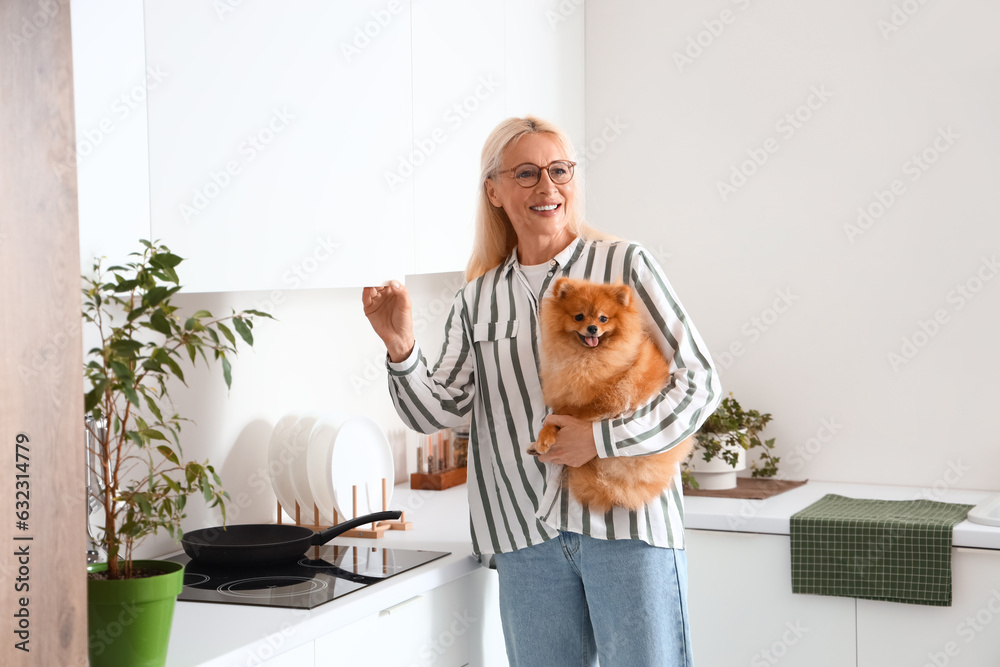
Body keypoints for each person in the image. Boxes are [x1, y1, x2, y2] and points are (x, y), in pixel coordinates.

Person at [362, 116, 720, 667]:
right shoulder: (476, 298)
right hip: (522, 535)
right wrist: (401, 347)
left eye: (559, 170)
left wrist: (602, 438)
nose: (546, 187)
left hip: (626, 528)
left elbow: (699, 381)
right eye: (526, 174)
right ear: (495, 191)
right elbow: (442, 411)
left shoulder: (623, 264)